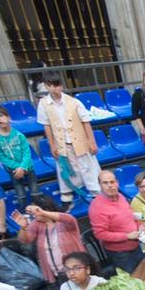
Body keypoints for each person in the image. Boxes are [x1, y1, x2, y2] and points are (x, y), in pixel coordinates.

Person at [36, 75, 101, 203]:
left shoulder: (74, 102)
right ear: (47, 87)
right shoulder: (44, 104)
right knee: (65, 168)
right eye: (51, 85)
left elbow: (86, 122)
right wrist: (52, 145)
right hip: (62, 142)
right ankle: (67, 193)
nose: (55, 88)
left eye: (57, 85)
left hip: (79, 140)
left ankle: (96, 191)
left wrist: (91, 141)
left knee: (87, 166)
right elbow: (47, 126)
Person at [13, 194, 86, 283]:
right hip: (57, 274)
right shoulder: (37, 224)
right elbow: (25, 240)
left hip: (77, 270)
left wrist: (43, 213)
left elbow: (70, 219)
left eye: (35, 210)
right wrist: (23, 228)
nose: (33, 214)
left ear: (46, 209)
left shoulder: (64, 222)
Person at [88, 169, 145, 272]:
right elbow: (100, 234)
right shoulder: (96, 207)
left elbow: (131, 215)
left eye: (112, 182)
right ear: (100, 185)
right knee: (132, 283)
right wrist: (126, 236)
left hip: (136, 246)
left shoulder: (120, 196)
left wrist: (140, 225)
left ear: (117, 183)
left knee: (144, 275)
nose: (110, 185)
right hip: (120, 254)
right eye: (105, 183)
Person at [0, 105, 37, 208]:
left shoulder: (19, 135)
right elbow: (0, 156)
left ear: (9, 117)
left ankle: (39, 210)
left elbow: (27, 152)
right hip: (13, 170)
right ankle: (24, 213)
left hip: (28, 167)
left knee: (35, 191)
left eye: (1, 115)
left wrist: (23, 167)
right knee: (20, 193)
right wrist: (16, 167)